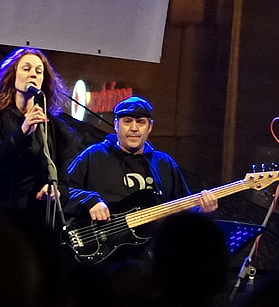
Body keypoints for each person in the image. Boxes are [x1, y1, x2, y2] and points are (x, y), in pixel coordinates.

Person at [0, 47, 96, 240]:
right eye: (26, 69)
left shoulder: (54, 127)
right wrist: (22, 134)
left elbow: (64, 179)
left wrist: (57, 191)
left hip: (32, 222)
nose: (33, 74)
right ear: (12, 75)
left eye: (39, 71)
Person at [65, 95, 217, 261]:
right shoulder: (93, 155)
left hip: (151, 258)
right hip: (102, 255)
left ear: (149, 127)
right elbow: (62, 191)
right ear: (116, 124)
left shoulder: (163, 163)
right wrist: (90, 200)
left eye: (141, 122)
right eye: (127, 121)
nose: (134, 128)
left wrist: (202, 212)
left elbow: (182, 212)